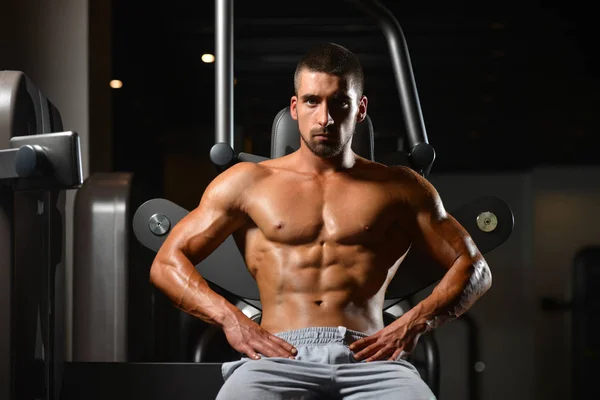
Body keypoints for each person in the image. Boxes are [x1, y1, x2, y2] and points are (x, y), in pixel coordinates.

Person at [149, 43, 492, 399]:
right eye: (312, 101)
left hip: (371, 358)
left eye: (339, 102)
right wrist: (231, 319)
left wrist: (415, 321)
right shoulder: (246, 183)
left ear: (359, 109)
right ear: (295, 108)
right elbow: (166, 263)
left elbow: (475, 267)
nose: (325, 117)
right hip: (277, 355)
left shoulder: (401, 187)